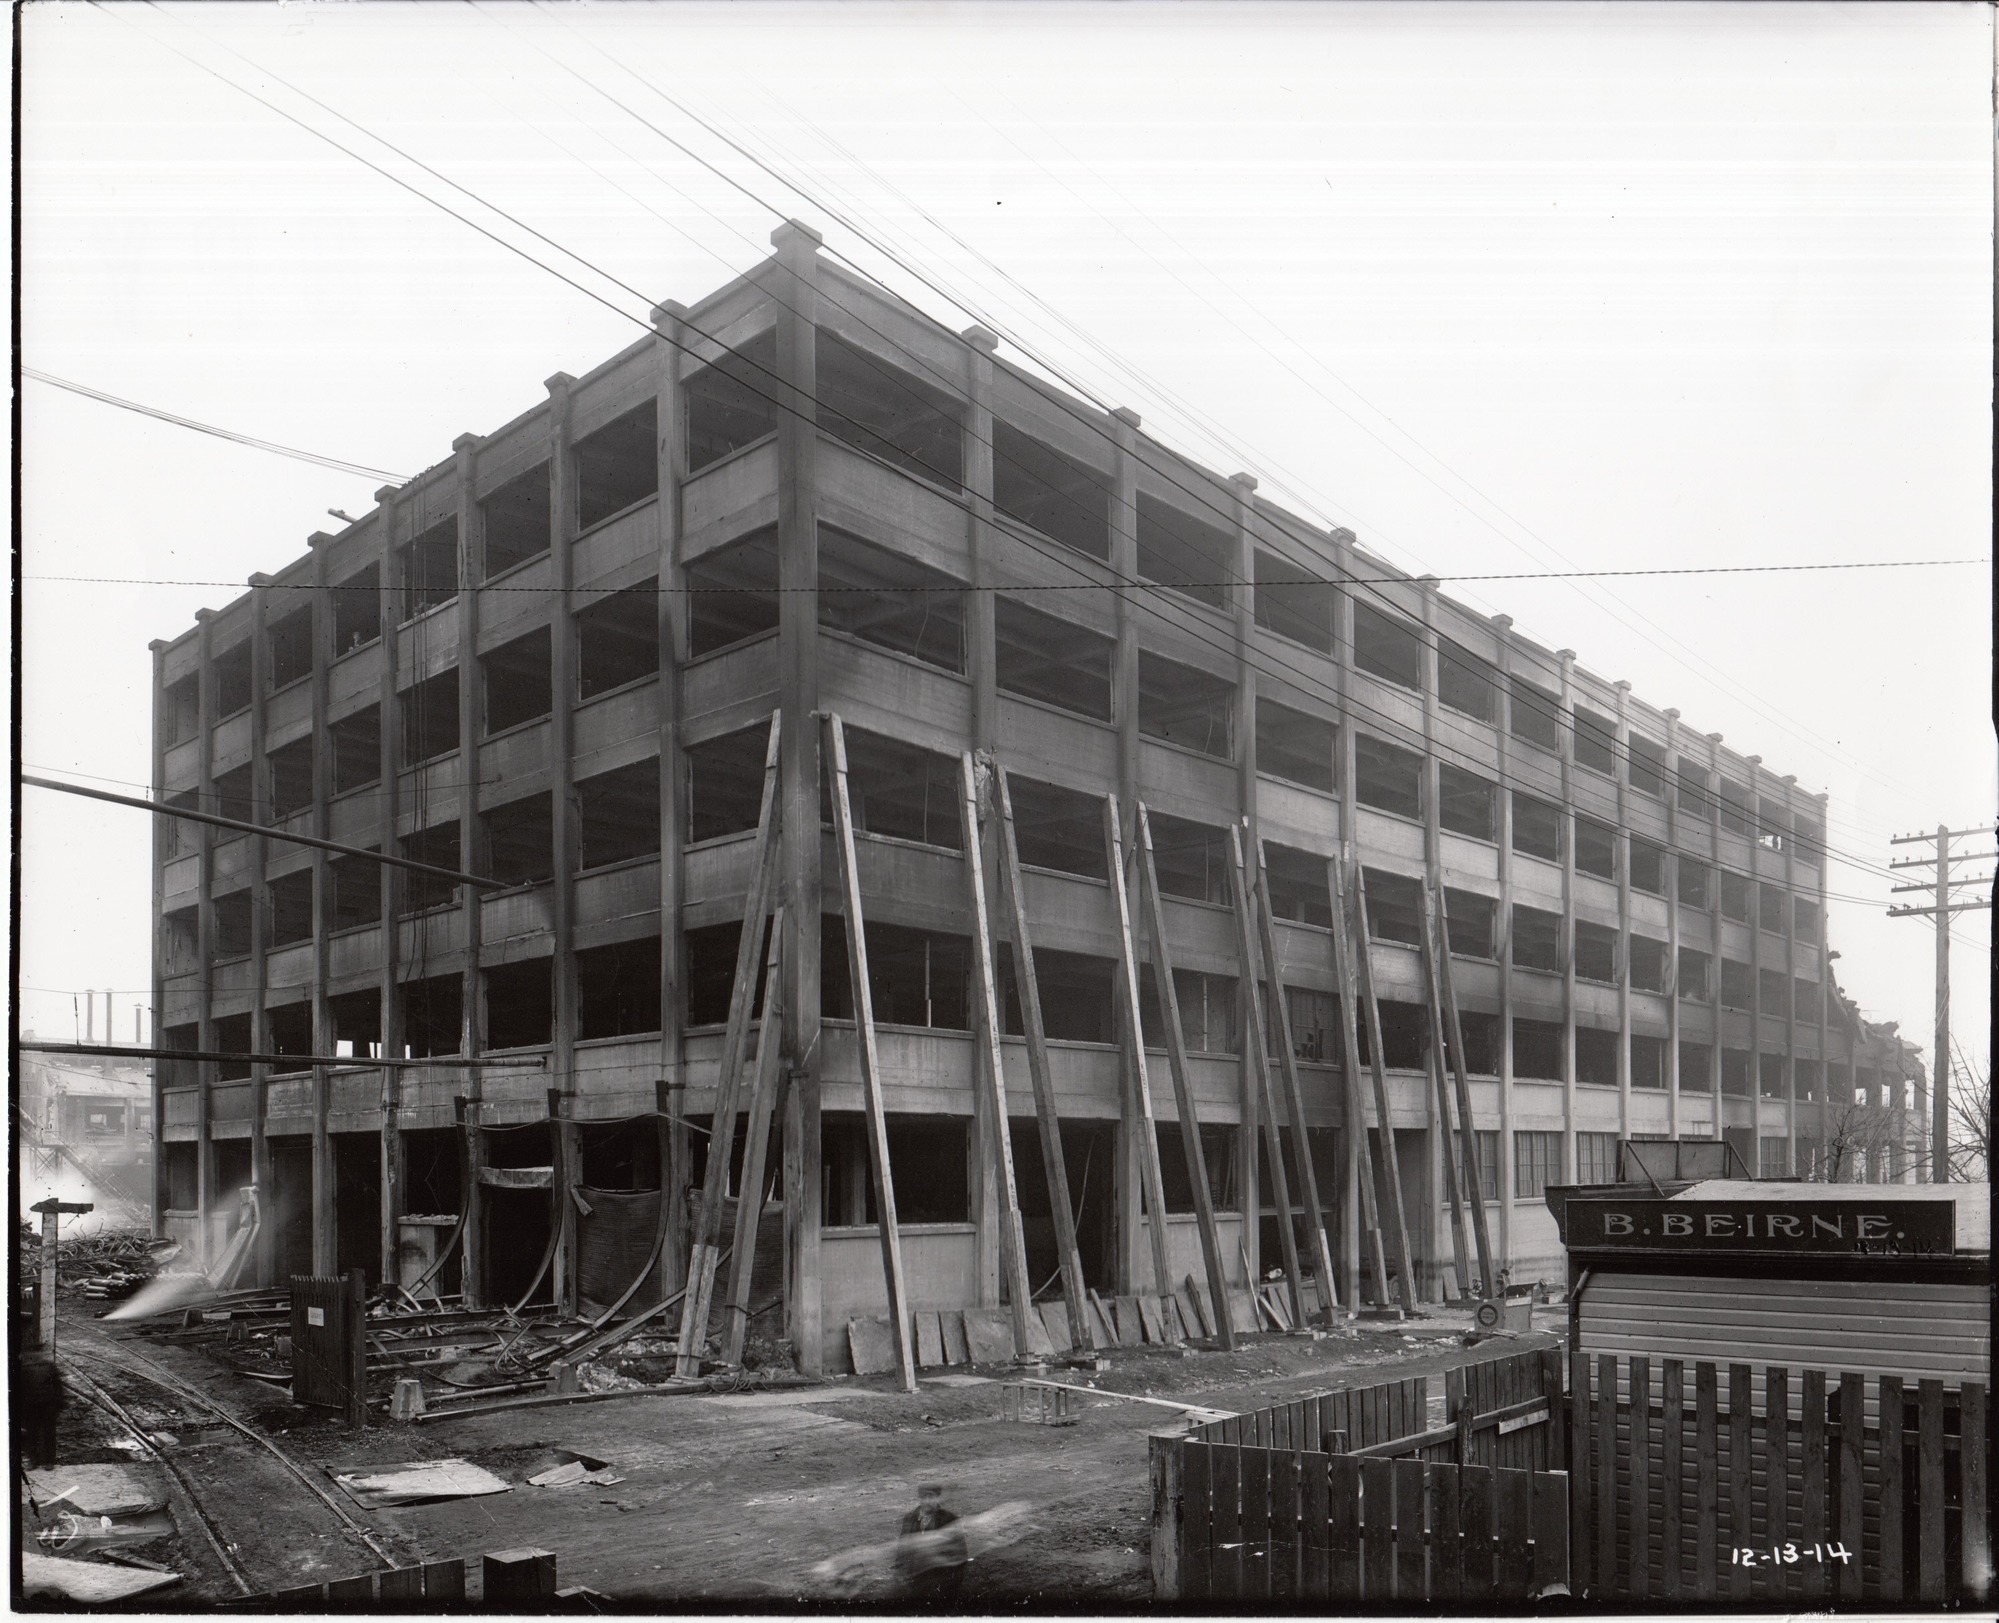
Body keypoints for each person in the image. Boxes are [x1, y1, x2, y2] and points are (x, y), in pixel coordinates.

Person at [896, 1482, 970, 1601]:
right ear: (919, 1498)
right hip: (916, 1580)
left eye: (930, 1497)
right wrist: (900, 1572)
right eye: (923, 1497)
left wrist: (952, 1584)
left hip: (941, 1582)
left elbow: (961, 1553)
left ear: (937, 1498)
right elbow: (902, 1548)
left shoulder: (949, 1519)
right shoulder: (910, 1518)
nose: (927, 1501)